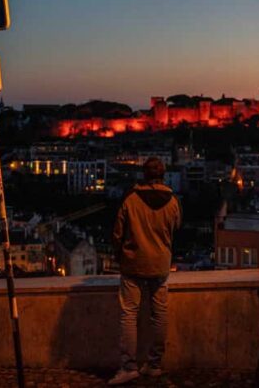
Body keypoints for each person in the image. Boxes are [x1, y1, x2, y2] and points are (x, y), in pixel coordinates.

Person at [109, 157, 182, 385]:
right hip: (160, 264)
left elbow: (117, 234)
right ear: (163, 175)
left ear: (143, 175)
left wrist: (121, 255)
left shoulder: (130, 199)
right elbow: (176, 228)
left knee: (129, 315)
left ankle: (129, 366)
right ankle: (155, 364)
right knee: (159, 314)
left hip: (133, 264)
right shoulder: (172, 202)